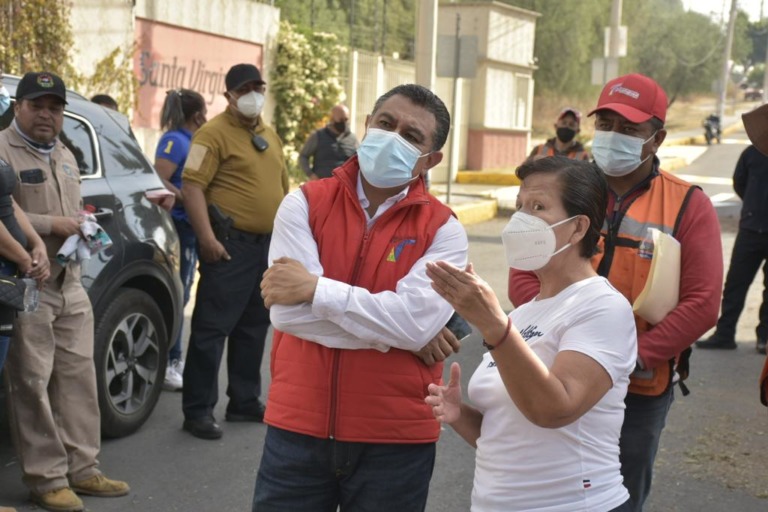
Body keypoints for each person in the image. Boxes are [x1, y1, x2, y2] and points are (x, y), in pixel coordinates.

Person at [507, 73, 722, 511]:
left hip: (639, 390)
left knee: (616, 497)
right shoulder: (561, 190)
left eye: (629, 129)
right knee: (538, 490)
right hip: (550, 373)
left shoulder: (687, 204)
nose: (612, 136)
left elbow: (702, 303)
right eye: (605, 125)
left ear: (656, 138)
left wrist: (627, 356)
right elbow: (523, 273)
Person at [253, 83, 468, 511]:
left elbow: (413, 323)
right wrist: (403, 335)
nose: (393, 137)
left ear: (431, 160)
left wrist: (315, 289)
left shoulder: (445, 230)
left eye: (411, 136)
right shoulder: (304, 203)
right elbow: (288, 317)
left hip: (395, 441)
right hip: (298, 429)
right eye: (386, 124)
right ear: (367, 125)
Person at [426, 156, 636, 511]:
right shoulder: (522, 314)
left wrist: (495, 326)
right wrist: (460, 414)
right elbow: (508, 436)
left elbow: (553, 410)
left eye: (538, 207)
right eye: (519, 206)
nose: (522, 219)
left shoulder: (603, 307)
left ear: (578, 227)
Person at [0, 71, 129, 512]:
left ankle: (84, 468)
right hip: (26, 283)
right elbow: (4, 215)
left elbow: (70, 209)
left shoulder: (67, 154)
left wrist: (81, 222)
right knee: (32, 383)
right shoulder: (1, 152)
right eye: (37, 106)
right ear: (18, 108)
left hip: (70, 280)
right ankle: (46, 478)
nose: (46, 116)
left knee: (78, 377)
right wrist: (53, 225)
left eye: (54, 108)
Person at [180, 63, 289, 440]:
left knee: (253, 327)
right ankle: (197, 410)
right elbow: (191, 187)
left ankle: (243, 401)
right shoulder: (211, 135)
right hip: (229, 246)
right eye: (244, 88)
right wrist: (207, 239)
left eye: (258, 86)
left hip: (264, 250)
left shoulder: (270, 136)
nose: (253, 94)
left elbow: (283, 193)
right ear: (228, 95)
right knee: (211, 330)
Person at [153, 88, 207, 390]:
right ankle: (170, 362)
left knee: (183, 294)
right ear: (197, 114)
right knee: (178, 296)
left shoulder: (193, 141)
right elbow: (159, 177)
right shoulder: (174, 141)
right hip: (178, 228)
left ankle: (173, 359)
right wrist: (186, 197)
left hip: (189, 228)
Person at [696, 144, 768, 354]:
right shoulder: (752, 153)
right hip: (750, 229)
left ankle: (764, 337)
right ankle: (725, 334)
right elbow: (740, 183)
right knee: (736, 283)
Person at [298, 103, 359, 180]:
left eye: (346, 119)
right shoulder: (318, 136)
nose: (344, 123)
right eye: (340, 120)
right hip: (322, 185)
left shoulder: (353, 139)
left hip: (345, 186)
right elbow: (303, 156)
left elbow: (359, 160)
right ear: (332, 119)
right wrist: (311, 175)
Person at [523, 107, 590, 164]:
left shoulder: (582, 156)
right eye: (564, 123)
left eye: (571, 124)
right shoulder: (539, 150)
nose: (567, 127)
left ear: (577, 131)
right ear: (556, 126)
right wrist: (533, 160)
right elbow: (522, 171)